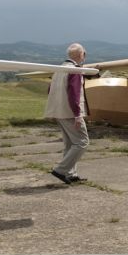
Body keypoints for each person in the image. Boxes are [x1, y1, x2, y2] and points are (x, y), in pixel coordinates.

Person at [44, 43, 89, 184]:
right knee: (82, 142)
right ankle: (61, 170)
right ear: (81, 55)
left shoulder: (59, 70)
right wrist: (77, 114)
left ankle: (71, 174)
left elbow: (50, 90)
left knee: (70, 144)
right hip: (70, 113)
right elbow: (74, 94)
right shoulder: (75, 71)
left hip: (59, 112)